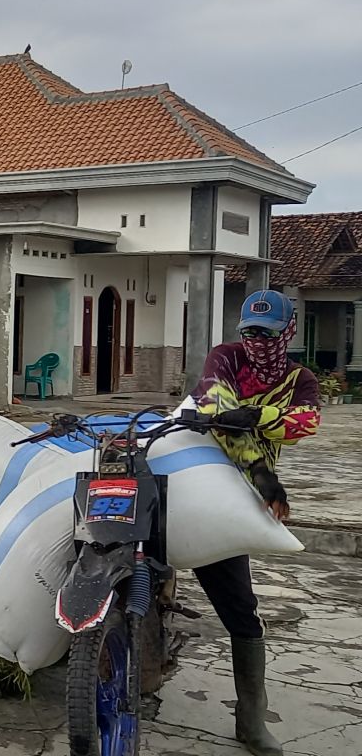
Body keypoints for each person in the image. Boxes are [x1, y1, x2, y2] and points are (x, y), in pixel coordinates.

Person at [194, 289, 320, 756]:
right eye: (249, 331)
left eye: (266, 334)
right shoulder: (224, 358)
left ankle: (250, 721)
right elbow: (215, 411)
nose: (256, 341)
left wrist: (258, 415)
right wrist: (263, 469)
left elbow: (305, 421)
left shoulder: (299, 378)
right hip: (200, 467)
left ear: (286, 333)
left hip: (228, 497)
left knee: (240, 609)